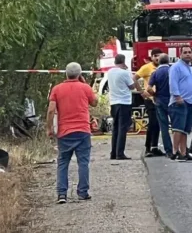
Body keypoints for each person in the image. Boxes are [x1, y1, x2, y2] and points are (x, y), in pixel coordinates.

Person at [47, 62, 98, 204]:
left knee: (63, 162)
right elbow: (95, 102)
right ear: (80, 74)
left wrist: (49, 128)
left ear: (66, 74)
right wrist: (85, 84)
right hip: (82, 130)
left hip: (64, 132)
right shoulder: (85, 88)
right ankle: (83, 192)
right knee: (83, 162)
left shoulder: (57, 89)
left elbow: (51, 110)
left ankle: (62, 194)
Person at [107, 54, 143, 160]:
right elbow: (132, 86)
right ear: (123, 61)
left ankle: (113, 152)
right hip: (124, 102)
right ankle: (120, 153)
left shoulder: (110, 72)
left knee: (116, 128)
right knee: (123, 128)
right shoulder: (125, 73)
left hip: (113, 102)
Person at [169, 46, 192, 162]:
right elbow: (173, 83)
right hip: (180, 102)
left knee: (185, 130)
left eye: (190, 52)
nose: (188, 54)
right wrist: (177, 96)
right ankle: (174, 152)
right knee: (178, 128)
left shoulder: (190, 68)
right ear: (180, 54)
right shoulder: (176, 67)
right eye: (185, 52)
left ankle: (184, 152)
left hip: (191, 102)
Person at [135, 49, 163, 158]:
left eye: (159, 56)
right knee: (153, 123)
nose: (157, 58)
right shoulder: (147, 67)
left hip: (160, 99)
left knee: (158, 124)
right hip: (150, 99)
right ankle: (148, 148)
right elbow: (134, 78)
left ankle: (155, 147)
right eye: (155, 56)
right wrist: (141, 91)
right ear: (151, 57)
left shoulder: (163, 67)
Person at [148, 54, 173, 157]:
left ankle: (168, 150)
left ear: (159, 61)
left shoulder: (155, 73)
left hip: (160, 101)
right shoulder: (172, 70)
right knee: (176, 127)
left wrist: (154, 95)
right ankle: (179, 148)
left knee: (164, 127)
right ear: (168, 61)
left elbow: (149, 88)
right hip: (173, 100)